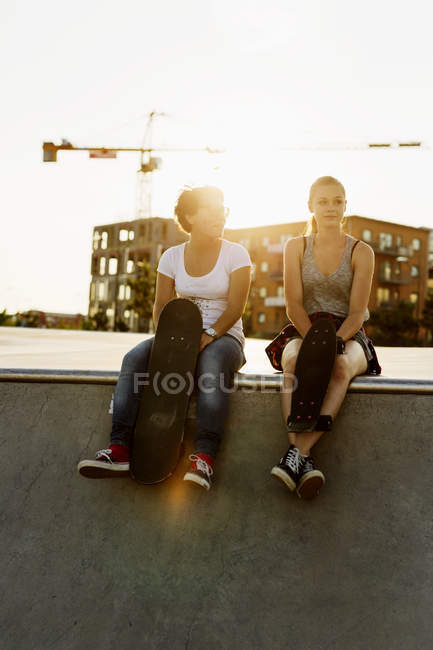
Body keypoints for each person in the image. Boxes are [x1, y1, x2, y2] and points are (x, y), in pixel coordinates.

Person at [78, 186, 251, 490]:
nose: (220, 215)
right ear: (190, 216)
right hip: (179, 338)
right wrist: (168, 343)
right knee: (133, 358)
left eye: (223, 208)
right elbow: (161, 306)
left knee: (210, 365)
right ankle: (119, 449)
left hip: (225, 339)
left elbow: (237, 307)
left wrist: (209, 336)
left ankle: (205, 458)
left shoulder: (236, 254)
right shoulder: (172, 257)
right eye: (211, 209)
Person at [266, 176, 381, 499]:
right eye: (323, 201)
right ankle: (302, 457)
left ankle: (296, 455)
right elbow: (293, 305)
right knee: (293, 360)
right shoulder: (295, 247)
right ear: (311, 207)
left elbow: (358, 312)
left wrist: (333, 344)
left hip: (348, 331)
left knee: (341, 368)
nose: (331, 207)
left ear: (346, 206)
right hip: (305, 326)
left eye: (337, 201)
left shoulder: (362, 252)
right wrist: (315, 344)